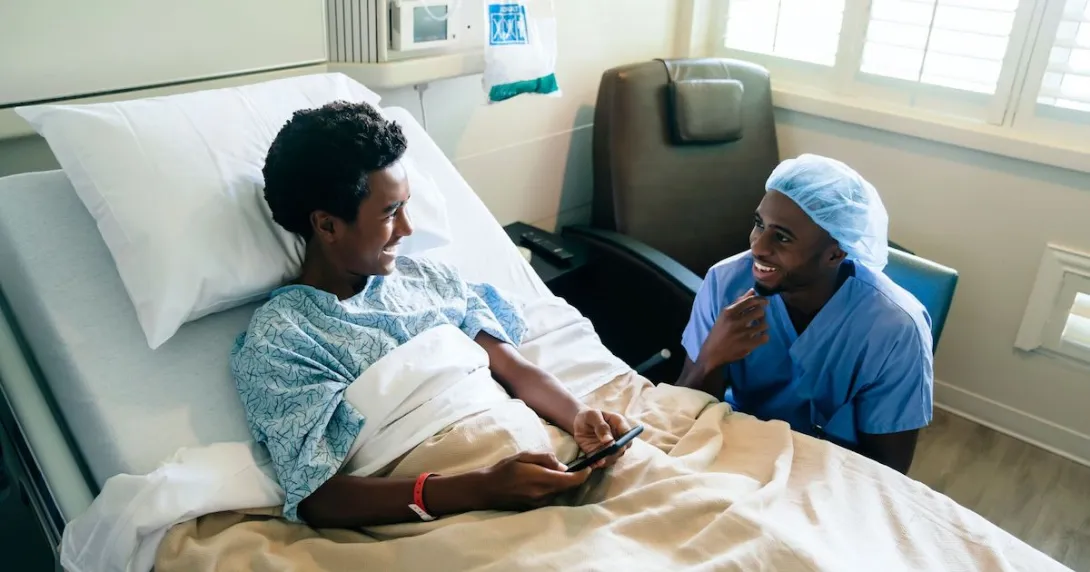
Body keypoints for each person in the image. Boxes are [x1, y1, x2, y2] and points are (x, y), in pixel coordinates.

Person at [229, 100, 632, 529]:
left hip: (544, 462)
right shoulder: (283, 338)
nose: (408, 228)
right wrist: (482, 487)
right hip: (448, 505)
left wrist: (578, 416)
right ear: (327, 226)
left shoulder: (429, 279)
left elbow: (512, 368)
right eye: (389, 212)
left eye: (406, 205)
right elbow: (316, 496)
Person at [677, 154, 933, 474]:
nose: (758, 246)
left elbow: (888, 470)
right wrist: (711, 358)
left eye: (782, 237)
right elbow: (683, 414)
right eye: (759, 224)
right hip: (737, 452)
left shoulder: (893, 328)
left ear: (835, 253)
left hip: (830, 473)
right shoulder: (725, 283)